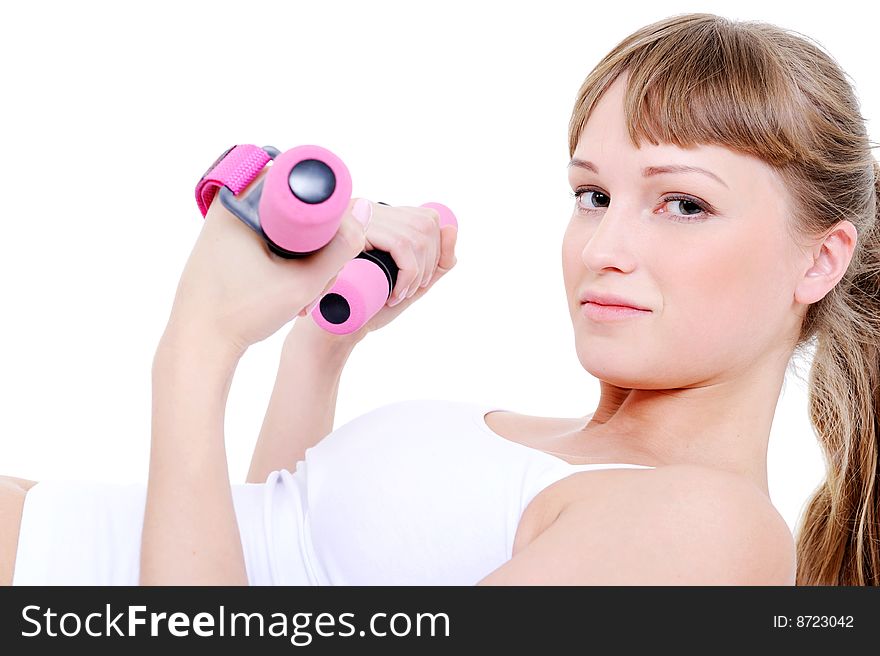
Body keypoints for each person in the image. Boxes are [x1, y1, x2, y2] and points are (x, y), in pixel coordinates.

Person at [2, 11, 877, 586]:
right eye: (592, 195)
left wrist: (195, 351)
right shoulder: (586, 462)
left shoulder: (708, 530)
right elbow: (277, 551)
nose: (604, 249)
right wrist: (319, 347)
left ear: (820, 260)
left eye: (683, 203)